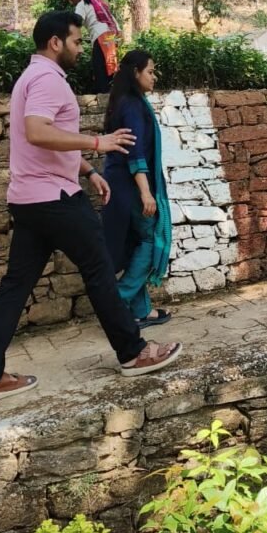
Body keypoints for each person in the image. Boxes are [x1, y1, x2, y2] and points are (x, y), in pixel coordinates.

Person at [0, 11, 182, 405]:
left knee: (15, 286)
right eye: (77, 41)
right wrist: (98, 144)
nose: (82, 49)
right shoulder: (48, 79)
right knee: (100, 270)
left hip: (28, 199)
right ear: (55, 42)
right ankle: (133, 352)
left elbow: (45, 139)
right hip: (54, 199)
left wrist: (88, 170)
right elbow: (38, 132)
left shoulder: (30, 77)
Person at [102, 50, 172, 329]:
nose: (154, 77)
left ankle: (140, 311)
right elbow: (135, 152)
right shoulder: (131, 105)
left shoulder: (125, 101)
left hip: (122, 183)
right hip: (130, 186)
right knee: (151, 239)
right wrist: (145, 192)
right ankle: (118, 303)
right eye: (150, 71)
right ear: (135, 73)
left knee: (137, 243)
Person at [64, 0, 120, 92]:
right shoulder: (98, 2)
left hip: (100, 36)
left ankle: (103, 93)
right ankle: (111, 91)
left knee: (99, 67)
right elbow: (112, 19)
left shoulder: (82, 3)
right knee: (110, 65)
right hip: (111, 36)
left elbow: (77, 20)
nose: (71, 3)